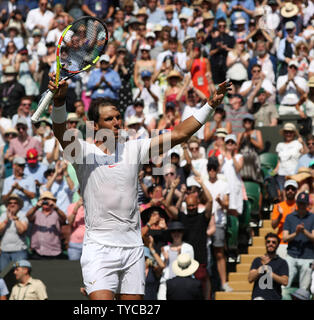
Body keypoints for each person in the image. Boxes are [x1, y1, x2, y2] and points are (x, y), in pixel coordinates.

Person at [47, 70, 230, 300]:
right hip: (98, 250)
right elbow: (61, 132)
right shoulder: (83, 152)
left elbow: (179, 135)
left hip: (133, 248)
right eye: (109, 119)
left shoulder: (134, 149)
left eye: (117, 117)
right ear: (94, 125)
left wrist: (209, 106)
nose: (116, 122)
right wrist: (59, 101)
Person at [204, 156, 232, 292]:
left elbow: (227, 205)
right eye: (210, 168)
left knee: (219, 253)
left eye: (214, 168)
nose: (212, 171)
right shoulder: (204, 183)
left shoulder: (224, 185)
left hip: (219, 222)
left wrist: (220, 202)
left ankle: (223, 282)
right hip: (205, 222)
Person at [282, 192, 314, 297]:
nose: (301, 206)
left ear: (307, 205)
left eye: (303, 204)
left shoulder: (312, 217)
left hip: (308, 257)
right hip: (291, 255)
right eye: (300, 203)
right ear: (297, 203)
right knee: (284, 285)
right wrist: (296, 233)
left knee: (304, 290)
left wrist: (304, 231)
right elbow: (285, 238)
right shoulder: (289, 217)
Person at [157, 220, 194, 300]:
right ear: (170, 233)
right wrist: (165, 260)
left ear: (183, 233)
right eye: (173, 231)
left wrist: (180, 257)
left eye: (179, 231)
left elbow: (191, 268)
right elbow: (159, 271)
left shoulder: (188, 248)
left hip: (182, 284)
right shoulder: (165, 249)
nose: (176, 233)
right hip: (165, 282)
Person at [26, 191, 67, 260]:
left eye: (48, 199)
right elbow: (28, 216)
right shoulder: (36, 213)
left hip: (54, 251)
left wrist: (55, 207)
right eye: (44, 200)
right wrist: (36, 206)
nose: (46, 202)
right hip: (37, 251)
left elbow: (64, 218)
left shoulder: (57, 213)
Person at [248, 232, 289, 300]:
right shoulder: (257, 260)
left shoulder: (282, 262)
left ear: (278, 245)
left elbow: (285, 281)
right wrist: (261, 268)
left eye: (273, 242)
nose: (270, 244)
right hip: (258, 297)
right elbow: (250, 279)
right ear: (265, 243)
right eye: (268, 242)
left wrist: (269, 272)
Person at [0, 194, 29, 272]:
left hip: (19, 251)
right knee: (4, 275)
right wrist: (6, 219)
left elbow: (22, 230)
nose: (12, 204)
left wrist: (15, 219)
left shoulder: (23, 215)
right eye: (10, 203)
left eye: (15, 203)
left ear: (19, 205)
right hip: (4, 251)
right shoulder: (3, 216)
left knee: (20, 274)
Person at [271, 180, 298, 259]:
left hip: (295, 242)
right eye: (288, 189)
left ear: (296, 191)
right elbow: (273, 226)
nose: (290, 191)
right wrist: (280, 215)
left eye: (292, 189)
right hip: (282, 243)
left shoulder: (300, 206)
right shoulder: (278, 206)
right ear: (284, 191)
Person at [236, 113, 264, 183]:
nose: (247, 123)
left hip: (253, 157)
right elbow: (236, 149)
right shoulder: (240, 134)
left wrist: (251, 140)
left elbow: (261, 146)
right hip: (243, 157)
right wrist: (241, 140)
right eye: (245, 121)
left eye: (249, 121)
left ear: (252, 123)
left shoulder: (257, 132)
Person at [66, 196, 85, 261]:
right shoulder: (71, 206)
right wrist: (77, 207)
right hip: (75, 245)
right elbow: (70, 222)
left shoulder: (94, 206)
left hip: (90, 244)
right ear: (79, 192)